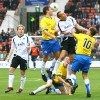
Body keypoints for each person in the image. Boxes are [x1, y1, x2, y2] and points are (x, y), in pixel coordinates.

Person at [50, 11, 88, 80]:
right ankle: (54, 71)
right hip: (65, 39)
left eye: (64, 13)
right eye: (62, 15)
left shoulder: (70, 18)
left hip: (72, 40)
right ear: (60, 17)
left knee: (71, 60)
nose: (64, 15)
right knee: (62, 56)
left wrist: (86, 30)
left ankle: (68, 76)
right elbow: (64, 32)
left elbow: (77, 26)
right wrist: (72, 32)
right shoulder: (60, 23)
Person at [5, 24, 35, 93]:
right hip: (16, 56)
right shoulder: (14, 38)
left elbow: (33, 44)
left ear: (23, 30)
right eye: (20, 29)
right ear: (17, 30)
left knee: (23, 73)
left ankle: (21, 88)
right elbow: (12, 49)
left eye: (22, 29)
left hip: (24, 57)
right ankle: (10, 86)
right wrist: (9, 57)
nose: (21, 30)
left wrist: (30, 46)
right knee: (11, 70)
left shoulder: (27, 37)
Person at [70, 27, 97, 97]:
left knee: (72, 72)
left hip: (79, 56)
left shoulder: (82, 36)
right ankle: (88, 91)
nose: (87, 30)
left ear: (90, 32)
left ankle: (74, 83)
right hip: (87, 58)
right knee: (85, 75)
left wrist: (73, 31)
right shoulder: (93, 40)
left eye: (88, 30)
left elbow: (73, 34)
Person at [40, 6, 60, 82]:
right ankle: (42, 72)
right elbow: (44, 31)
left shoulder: (53, 20)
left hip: (54, 40)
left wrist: (56, 32)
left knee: (58, 57)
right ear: (47, 11)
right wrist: (52, 35)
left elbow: (54, 31)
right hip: (46, 41)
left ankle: (51, 70)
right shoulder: (43, 20)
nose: (52, 10)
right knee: (46, 58)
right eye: (51, 9)